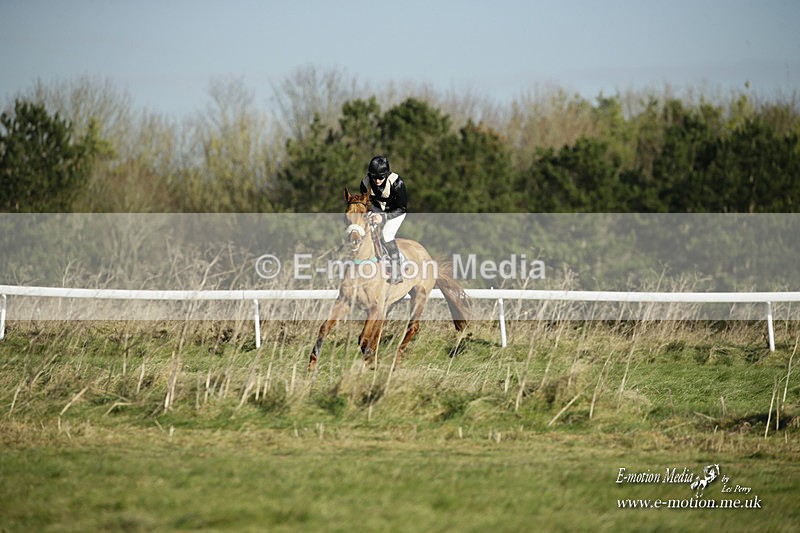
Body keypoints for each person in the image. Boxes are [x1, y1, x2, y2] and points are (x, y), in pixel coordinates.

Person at [360, 155, 407, 284]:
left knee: (386, 235)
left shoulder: (397, 183)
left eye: (381, 177)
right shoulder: (365, 183)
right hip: (376, 212)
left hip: (395, 213)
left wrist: (383, 216)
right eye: (374, 177)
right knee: (365, 232)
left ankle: (397, 268)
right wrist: (371, 214)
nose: (377, 180)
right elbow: (367, 203)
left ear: (386, 174)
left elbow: (401, 208)